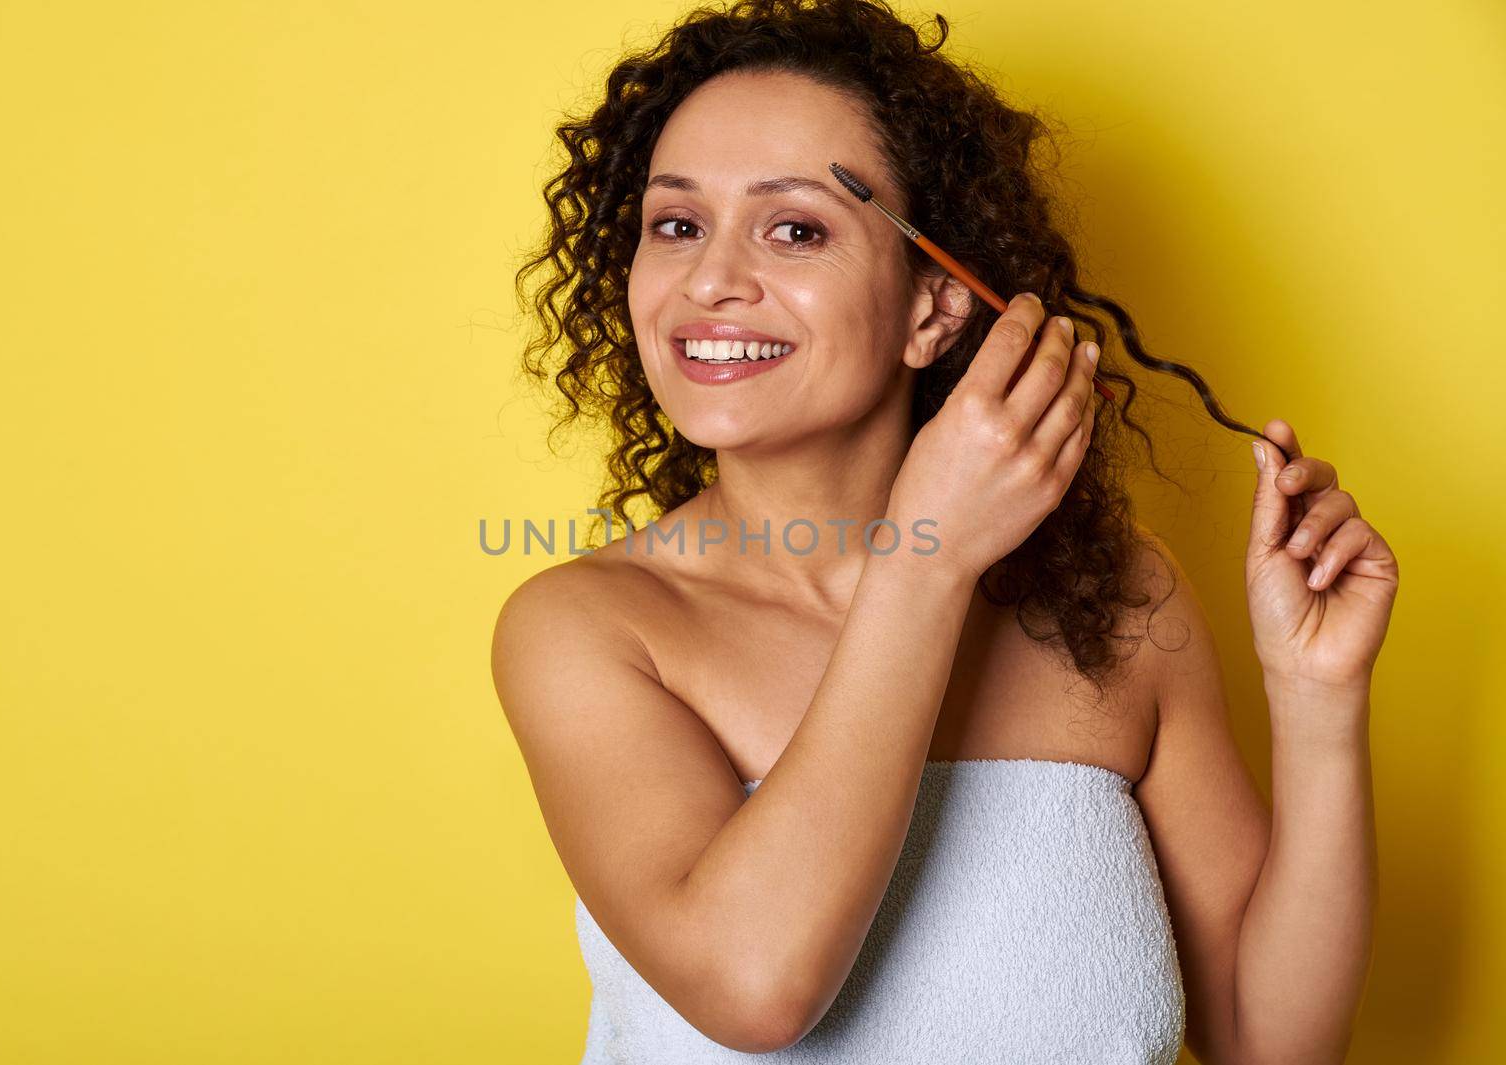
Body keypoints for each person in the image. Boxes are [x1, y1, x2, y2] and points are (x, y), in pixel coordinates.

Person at [492, 1, 1399, 1060]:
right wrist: (926, 557)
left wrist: (1318, 698)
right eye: (676, 225)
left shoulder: (1117, 605)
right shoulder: (588, 628)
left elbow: (1273, 1045)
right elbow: (753, 990)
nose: (709, 281)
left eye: (794, 228)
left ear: (934, 306)